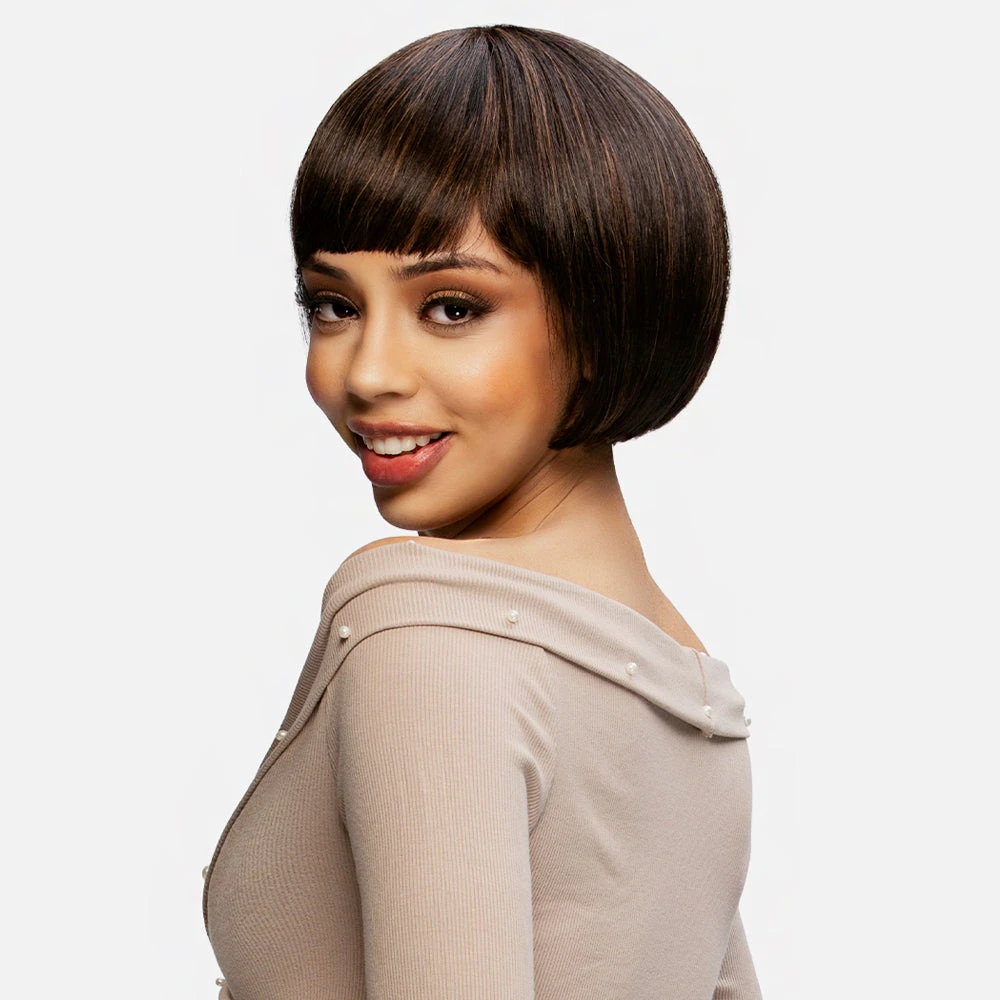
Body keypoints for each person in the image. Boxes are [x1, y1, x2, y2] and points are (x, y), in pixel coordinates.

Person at [202, 24, 760, 1000]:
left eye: (451, 307)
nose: (367, 373)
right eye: (334, 305)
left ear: (601, 318)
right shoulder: (686, 684)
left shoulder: (430, 639)